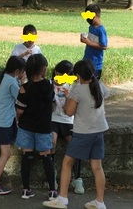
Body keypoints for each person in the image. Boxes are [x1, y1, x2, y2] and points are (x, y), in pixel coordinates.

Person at [43, 59, 110, 209]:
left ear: (78, 75)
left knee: (67, 163)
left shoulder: (77, 90)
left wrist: (68, 97)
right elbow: (105, 95)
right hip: (99, 131)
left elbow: (69, 111)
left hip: (83, 131)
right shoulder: (99, 86)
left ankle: (63, 198)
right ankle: (100, 202)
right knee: (97, 167)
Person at [15, 54, 57, 200]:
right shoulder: (50, 85)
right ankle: (52, 190)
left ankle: (26, 189)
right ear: (44, 69)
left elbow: (20, 110)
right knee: (46, 157)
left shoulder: (24, 88)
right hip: (44, 127)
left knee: (27, 156)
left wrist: (18, 119)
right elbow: (52, 102)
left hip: (26, 126)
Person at [0, 56, 26, 195]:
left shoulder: (7, 78)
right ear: (17, 71)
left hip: (4, 120)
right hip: (4, 122)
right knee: (6, 154)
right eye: (23, 71)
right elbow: (22, 98)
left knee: (7, 152)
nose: (24, 74)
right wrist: (24, 83)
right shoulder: (12, 82)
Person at [51, 60, 84, 195]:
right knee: (51, 143)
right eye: (57, 73)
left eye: (62, 75)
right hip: (53, 119)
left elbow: (70, 110)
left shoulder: (72, 88)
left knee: (74, 145)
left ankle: (77, 178)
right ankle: (52, 176)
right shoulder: (48, 85)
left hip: (68, 120)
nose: (58, 77)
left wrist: (67, 97)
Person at [81, 4, 108, 80]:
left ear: (95, 15)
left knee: (93, 85)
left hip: (95, 65)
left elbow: (104, 46)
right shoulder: (91, 27)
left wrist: (89, 42)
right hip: (87, 60)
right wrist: (84, 39)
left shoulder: (101, 30)